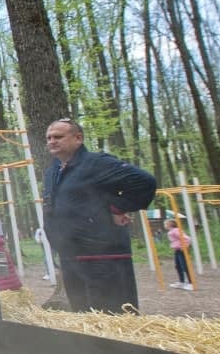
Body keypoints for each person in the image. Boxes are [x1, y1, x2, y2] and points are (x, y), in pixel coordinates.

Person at [42, 118, 156, 313]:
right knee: (82, 313)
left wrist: (118, 209)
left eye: (58, 137)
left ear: (78, 138)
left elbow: (145, 181)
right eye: (49, 138)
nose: (52, 141)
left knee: (111, 315)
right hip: (71, 256)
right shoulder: (52, 170)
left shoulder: (96, 163)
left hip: (103, 257)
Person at [164, 218, 193, 290]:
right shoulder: (171, 232)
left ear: (170, 224)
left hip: (182, 250)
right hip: (177, 250)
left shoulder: (176, 231)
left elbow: (187, 238)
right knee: (178, 266)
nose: (164, 226)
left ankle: (191, 283)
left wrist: (185, 246)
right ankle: (182, 281)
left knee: (185, 266)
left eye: (165, 224)